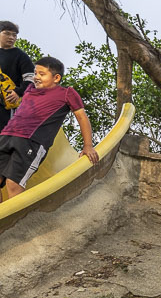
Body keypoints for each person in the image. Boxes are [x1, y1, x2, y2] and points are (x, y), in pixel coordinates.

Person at [0, 56, 98, 203]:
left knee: (13, 183)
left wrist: (88, 146)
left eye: (42, 74)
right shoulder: (29, 90)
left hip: (31, 142)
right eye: (35, 73)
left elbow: (82, 117)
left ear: (56, 77)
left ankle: (15, 225)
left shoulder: (66, 93)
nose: (36, 77)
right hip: (6, 136)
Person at [0, 21, 36, 191]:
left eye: (15, 35)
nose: (12, 38)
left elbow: (31, 80)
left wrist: (19, 92)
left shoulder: (20, 56)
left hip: (9, 110)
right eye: (8, 33)